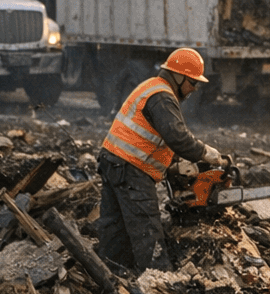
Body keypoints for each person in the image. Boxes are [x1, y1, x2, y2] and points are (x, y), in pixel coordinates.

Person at [96, 48, 224, 273]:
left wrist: (174, 166)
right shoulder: (162, 96)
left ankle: (112, 275)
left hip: (114, 162)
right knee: (147, 229)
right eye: (193, 83)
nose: (194, 89)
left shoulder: (151, 88)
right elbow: (177, 136)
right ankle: (159, 283)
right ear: (179, 76)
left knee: (115, 228)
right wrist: (205, 153)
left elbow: (155, 139)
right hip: (130, 169)